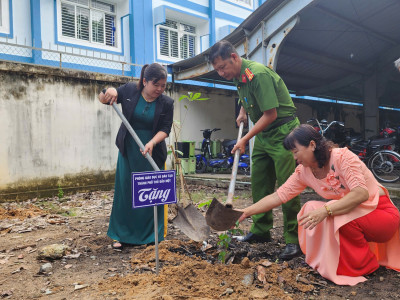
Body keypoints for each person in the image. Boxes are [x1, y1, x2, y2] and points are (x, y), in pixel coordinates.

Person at [237, 124, 400, 285]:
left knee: (330, 213)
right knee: (310, 208)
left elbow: (361, 193)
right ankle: (335, 260)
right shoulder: (304, 172)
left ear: (312, 145)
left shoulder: (342, 158)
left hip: (381, 215)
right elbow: (279, 196)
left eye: (296, 151)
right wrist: (246, 211)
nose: (294, 157)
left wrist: (326, 210)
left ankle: (363, 264)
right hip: (355, 216)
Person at [209, 40, 301, 260]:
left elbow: (271, 114)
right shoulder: (239, 77)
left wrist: (244, 140)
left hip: (284, 133)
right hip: (264, 135)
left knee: (288, 186)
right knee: (259, 182)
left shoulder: (257, 74)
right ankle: (261, 231)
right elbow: (248, 96)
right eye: (217, 70)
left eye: (223, 67)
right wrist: (243, 110)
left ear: (234, 57)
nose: (221, 73)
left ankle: (294, 239)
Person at [98, 63, 174, 249]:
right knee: (126, 191)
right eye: (156, 85)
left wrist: (151, 143)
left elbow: (165, 129)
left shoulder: (166, 103)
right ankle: (121, 234)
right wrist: (111, 91)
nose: (159, 89)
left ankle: (150, 235)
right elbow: (102, 97)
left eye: (163, 86)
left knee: (151, 192)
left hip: (152, 151)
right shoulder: (131, 90)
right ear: (145, 81)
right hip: (129, 149)